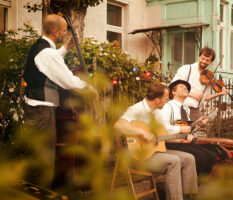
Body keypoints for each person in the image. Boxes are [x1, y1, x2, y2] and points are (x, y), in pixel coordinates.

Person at [23, 14, 97, 187]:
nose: (66, 33)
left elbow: (50, 63)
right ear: (56, 32)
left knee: (40, 158)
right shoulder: (47, 53)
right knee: (44, 161)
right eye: (64, 31)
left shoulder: (42, 48)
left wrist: (66, 48)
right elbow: (68, 81)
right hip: (42, 112)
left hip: (38, 110)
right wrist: (90, 88)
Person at [114, 83, 198, 200]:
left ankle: (190, 197)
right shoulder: (136, 109)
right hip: (139, 156)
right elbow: (118, 125)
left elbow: (162, 135)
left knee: (189, 158)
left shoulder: (157, 112)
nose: (167, 101)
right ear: (157, 100)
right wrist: (142, 132)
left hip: (155, 152)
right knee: (173, 161)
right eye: (165, 99)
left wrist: (181, 138)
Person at [156, 80, 217, 176]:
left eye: (187, 88)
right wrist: (179, 129)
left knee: (212, 156)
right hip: (172, 142)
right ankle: (190, 185)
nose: (185, 88)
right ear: (173, 92)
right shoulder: (167, 106)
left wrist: (197, 124)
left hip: (185, 142)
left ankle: (197, 183)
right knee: (201, 157)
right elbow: (162, 127)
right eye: (181, 87)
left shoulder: (186, 108)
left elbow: (187, 129)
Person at [171, 46, 229, 121]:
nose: (204, 61)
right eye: (202, 58)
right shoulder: (186, 69)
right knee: (183, 131)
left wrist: (218, 94)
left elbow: (205, 97)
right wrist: (192, 94)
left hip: (195, 110)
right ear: (199, 57)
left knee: (200, 129)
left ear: (210, 62)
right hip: (180, 108)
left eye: (207, 60)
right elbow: (173, 86)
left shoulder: (208, 76)